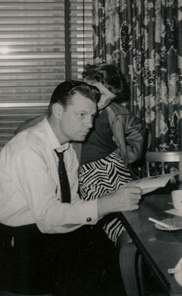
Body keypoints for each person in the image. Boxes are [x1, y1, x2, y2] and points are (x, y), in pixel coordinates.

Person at [0, 80, 141, 296]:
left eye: (93, 116)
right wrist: (106, 204)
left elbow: (71, 203)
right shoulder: (28, 149)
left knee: (104, 247)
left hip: (42, 232)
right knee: (88, 267)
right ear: (58, 111)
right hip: (16, 243)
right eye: (82, 115)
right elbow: (48, 216)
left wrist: (106, 203)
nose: (90, 124)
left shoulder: (65, 149)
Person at [78, 63, 145, 247]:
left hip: (113, 165)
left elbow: (137, 129)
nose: (102, 103)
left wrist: (128, 155)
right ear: (86, 82)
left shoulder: (113, 112)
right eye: (99, 94)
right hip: (86, 173)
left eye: (109, 99)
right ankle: (127, 253)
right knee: (118, 223)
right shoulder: (71, 107)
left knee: (138, 211)